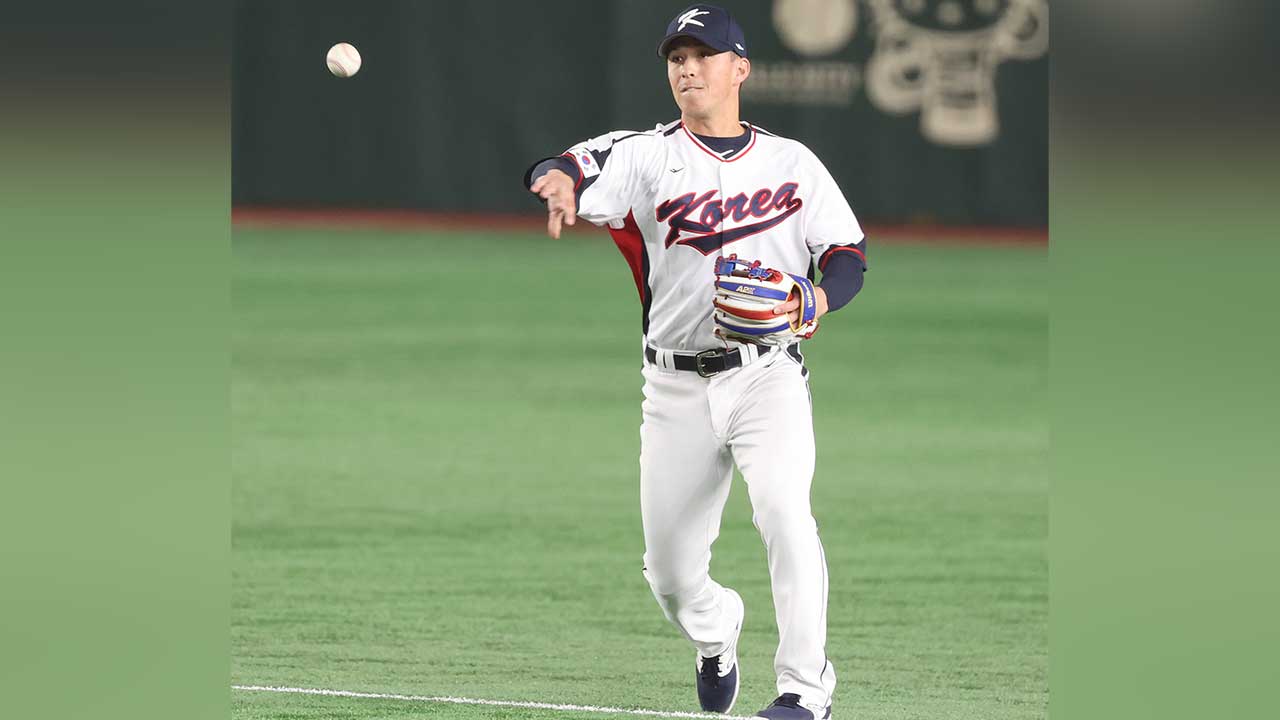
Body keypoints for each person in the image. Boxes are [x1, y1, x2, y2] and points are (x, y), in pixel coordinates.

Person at [523, 5, 867, 719]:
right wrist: (556, 180)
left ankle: (805, 692)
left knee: (784, 512)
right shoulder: (647, 154)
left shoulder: (791, 163)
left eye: (703, 55)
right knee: (674, 579)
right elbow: (572, 164)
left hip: (768, 372)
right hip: (673, 386)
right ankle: (718, 635)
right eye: (676, 57)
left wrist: (817, 301)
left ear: (740, 68)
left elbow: (846, 257)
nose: (686, 68)